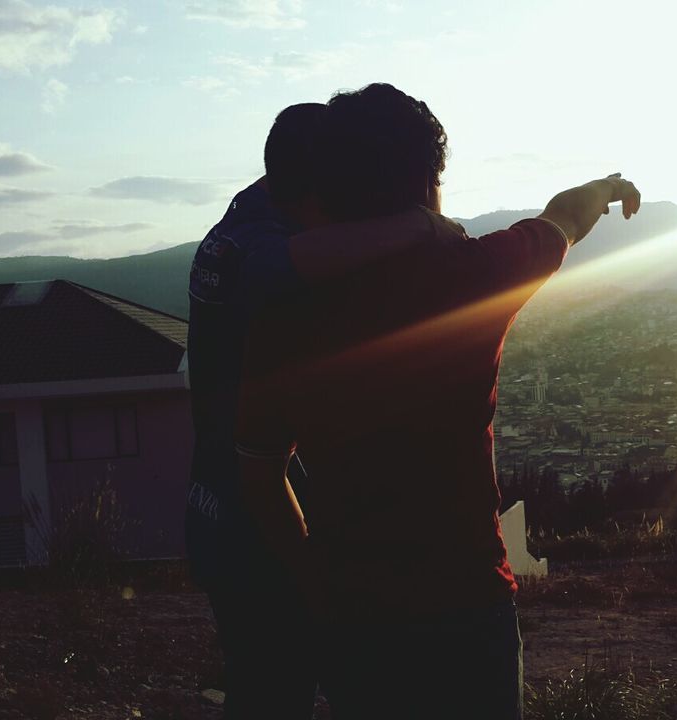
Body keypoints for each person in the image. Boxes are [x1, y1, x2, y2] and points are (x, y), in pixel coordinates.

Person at [232, 83, 641, 719]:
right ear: (428, 182)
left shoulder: (282, 317)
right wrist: (608, 185)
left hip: (353, 614)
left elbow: (258, 469)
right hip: (466, 601)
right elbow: (564, 218)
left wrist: (311, 577)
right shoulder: (472, 276)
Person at [185, 100, 467, 718]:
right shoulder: (255, 251)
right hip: (255, 519)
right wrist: (422, 227)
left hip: (222, 507)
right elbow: (283, 266)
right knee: (283, 687)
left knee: (270, 683)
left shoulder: (247, 215)